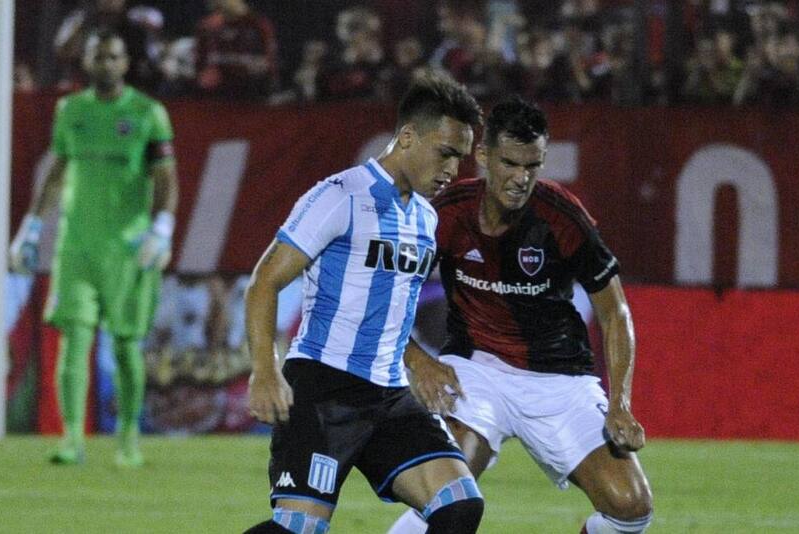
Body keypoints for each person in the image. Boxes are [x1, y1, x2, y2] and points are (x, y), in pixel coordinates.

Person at [388, 97, 654, 534]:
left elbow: (615, 311)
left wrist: (621, 404)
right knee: (445, 495)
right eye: (510, 163)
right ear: (484, 155)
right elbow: (388, 295)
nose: (521, 178)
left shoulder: (564, 219)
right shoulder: (443, 213)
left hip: (559, 379)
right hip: (475, 370)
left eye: (533, 165)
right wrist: (419, 362)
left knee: (631, 508)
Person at [243, 74, 484, 534]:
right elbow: (264, 283)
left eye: (462, 158)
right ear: (408, 136)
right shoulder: (339, 196)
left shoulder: (425, 217)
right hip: (323, 387)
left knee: (459, 505)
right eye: (446, 152)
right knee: (299, 529)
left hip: (389, 395)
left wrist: (418, 362)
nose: (454, 169)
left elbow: (391, 311)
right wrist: (265, 370)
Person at [9, 31, 179, 467]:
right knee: (74, 340)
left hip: (129, 249)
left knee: (125, 347)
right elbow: (57, 170)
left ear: (125, 64)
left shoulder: (148, 113)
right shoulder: (70, 111)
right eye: (98, 56)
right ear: (87, 63)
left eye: (114, 56)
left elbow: (165, 179)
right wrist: (31, 228)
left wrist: (161, 228)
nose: (106, 63)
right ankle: (70, 439)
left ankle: (128, 439)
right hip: (76, 247)